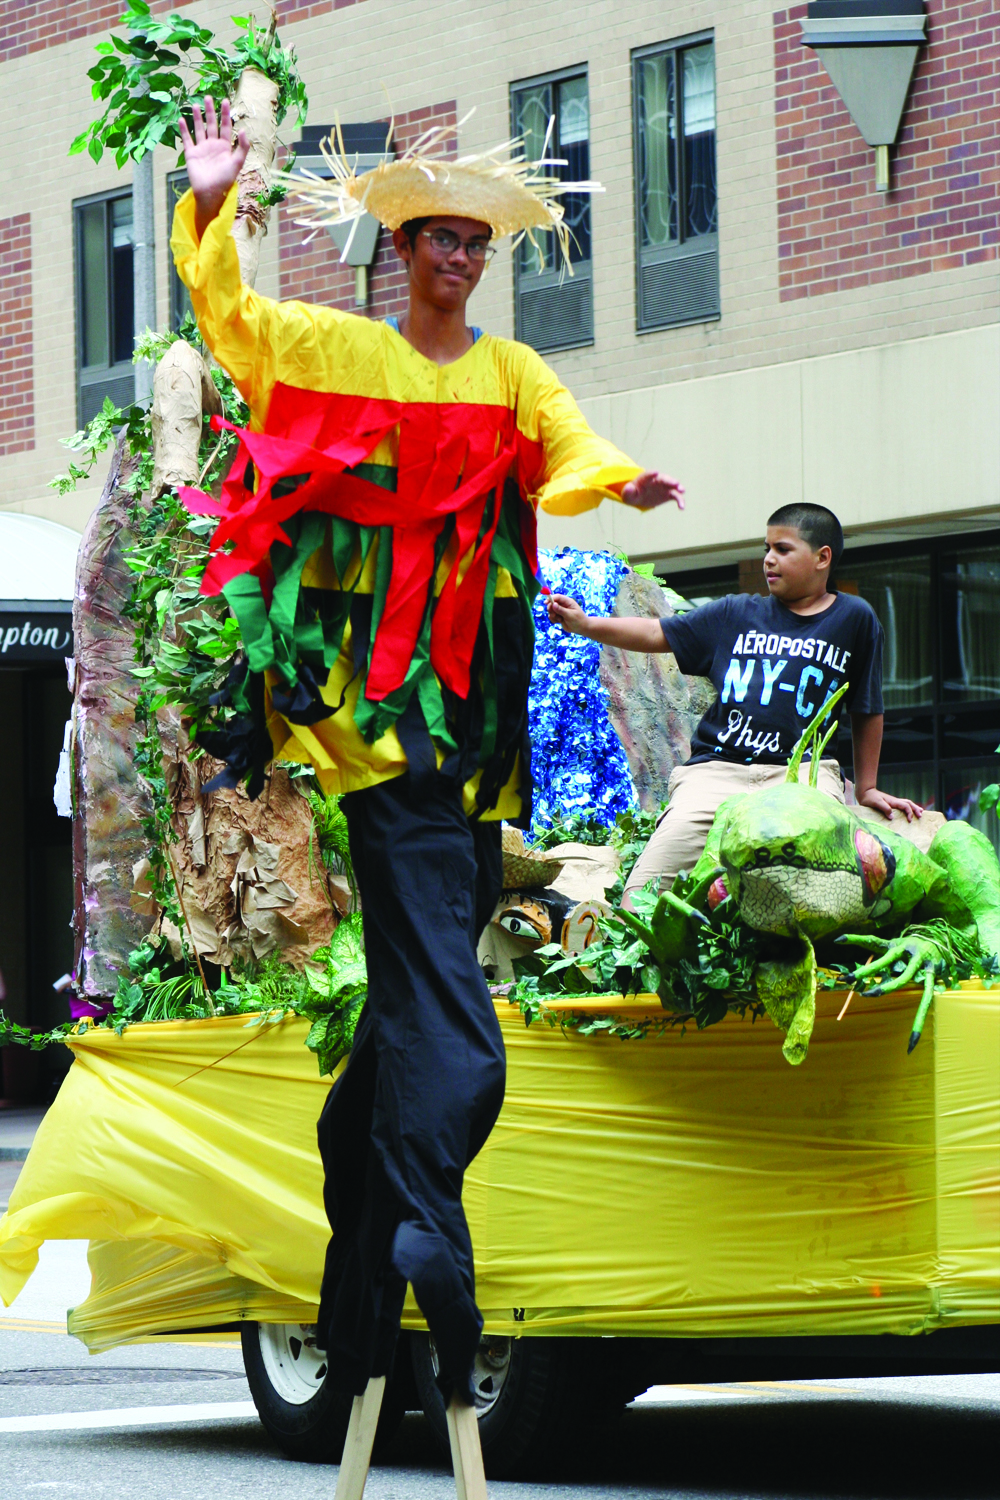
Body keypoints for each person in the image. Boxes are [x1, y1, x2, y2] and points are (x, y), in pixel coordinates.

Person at [173, 99, 684, 1405]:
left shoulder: (512, 375)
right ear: (401, 251)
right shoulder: (343, 352)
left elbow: (567, 444)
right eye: (438, 241)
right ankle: (430, 1252)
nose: (458, 259)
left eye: (474, 244)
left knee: (412, 1000)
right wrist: (217, 200)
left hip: (470, 734)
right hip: (375, 728)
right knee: (457, 1027)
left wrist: (614, 481)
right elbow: (232, 325)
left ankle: (353, 1329)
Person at [547, 502, 923, 906]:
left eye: (782, 549)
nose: (768, 559)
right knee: (642, 899)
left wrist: (866, 788)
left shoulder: (855, 618)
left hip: (800, 781)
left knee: (819, 891)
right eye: (766, 548)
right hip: (714, 773)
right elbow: (656, 632)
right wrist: (585, 625)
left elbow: (867, 708)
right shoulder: (735, 612)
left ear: (822, 557)